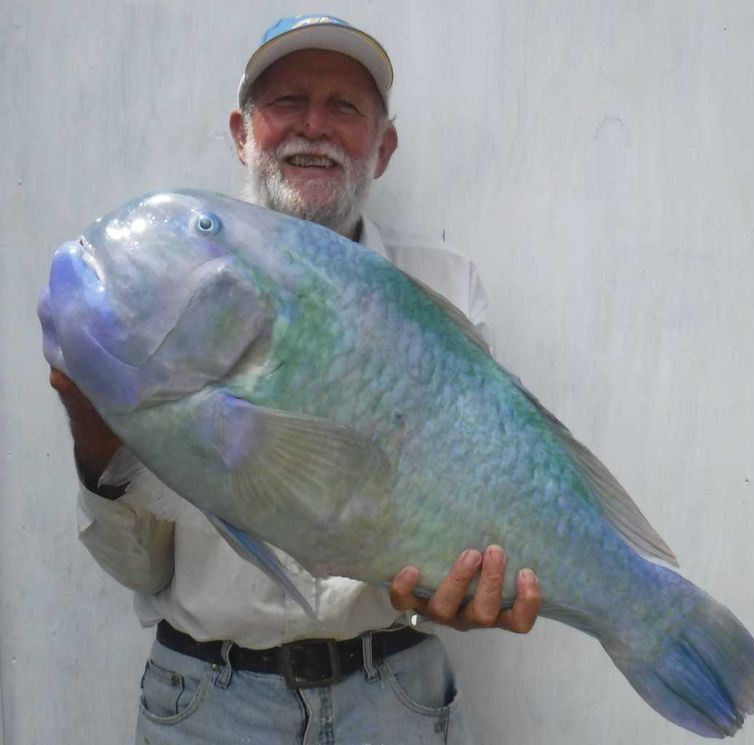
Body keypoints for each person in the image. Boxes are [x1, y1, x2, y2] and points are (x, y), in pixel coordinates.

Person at [50, 15, 541, 744]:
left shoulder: (445, 291)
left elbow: (464, 515)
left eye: (345, 106)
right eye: (286, 101)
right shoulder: (163, 288)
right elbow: (139, 566)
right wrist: (97, 445)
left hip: (397, 699)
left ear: (385, 145)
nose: (314, 125)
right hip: (207, 703)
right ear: (242, 133)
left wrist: (458, 585)